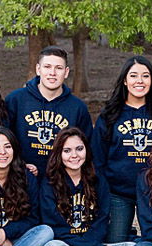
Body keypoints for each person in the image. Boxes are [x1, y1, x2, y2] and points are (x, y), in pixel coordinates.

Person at [91, 55, 152, 243]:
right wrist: (104, 188)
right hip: (119, 192)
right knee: (115, 244)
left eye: (145, 76)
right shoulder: (110, 114)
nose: (140, 81)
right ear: (124, 80)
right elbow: (98, 156)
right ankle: (130, 238)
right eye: (134, 75)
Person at [36, 127, 136, 246]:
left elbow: (102, 220)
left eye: (79, 149)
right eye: (67, 150)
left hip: (95, 242)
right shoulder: (50, 184)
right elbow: (55, 227)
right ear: (59, 154)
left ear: (86, 151)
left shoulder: (98, 180)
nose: (74, 155)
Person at [5, 46, 93, 177]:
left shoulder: (77, 107)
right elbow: (2, 140)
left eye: (58, 68)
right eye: (47, 67)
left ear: (66, 72)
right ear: (38, 69)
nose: (52, 73)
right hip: (21, 179)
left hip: (61, 183)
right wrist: (18, 165)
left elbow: (87, 148)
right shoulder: (15, 100)